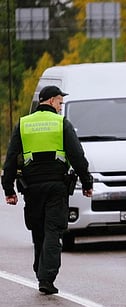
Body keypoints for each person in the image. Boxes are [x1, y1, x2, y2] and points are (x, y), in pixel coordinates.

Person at [1, 85, 93, 295]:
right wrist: (87, 183)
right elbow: (77, 156)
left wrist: (8, 189)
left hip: (31, 188)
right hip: (56, 187)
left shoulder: (23, 124)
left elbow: (11, 158)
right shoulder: (61, 124)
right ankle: (46, 277)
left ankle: (40, 271)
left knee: (38, 231)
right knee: (53, 230)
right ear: (51, 101)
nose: (61, 107)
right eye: (60, 102)